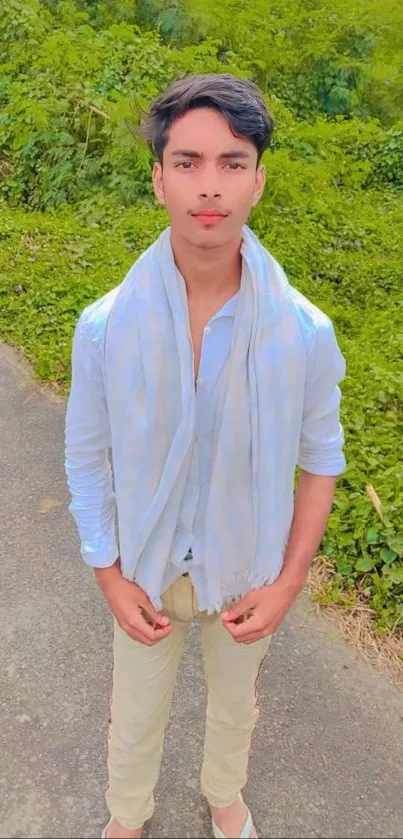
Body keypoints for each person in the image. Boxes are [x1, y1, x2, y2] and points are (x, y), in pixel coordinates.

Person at [64, 73, 347, 839]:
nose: (208, 185)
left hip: (245, 570)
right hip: (145, 570)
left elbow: (319, 459)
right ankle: (129, 814)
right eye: (186, 162)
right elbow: (86, 457)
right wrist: (106, 571)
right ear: (157, 179)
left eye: (231, 160)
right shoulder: (104, 328)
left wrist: (288, 580)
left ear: (258, 178)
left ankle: (224, 795)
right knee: (134, 709)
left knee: (234, 705)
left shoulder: (302, 333)